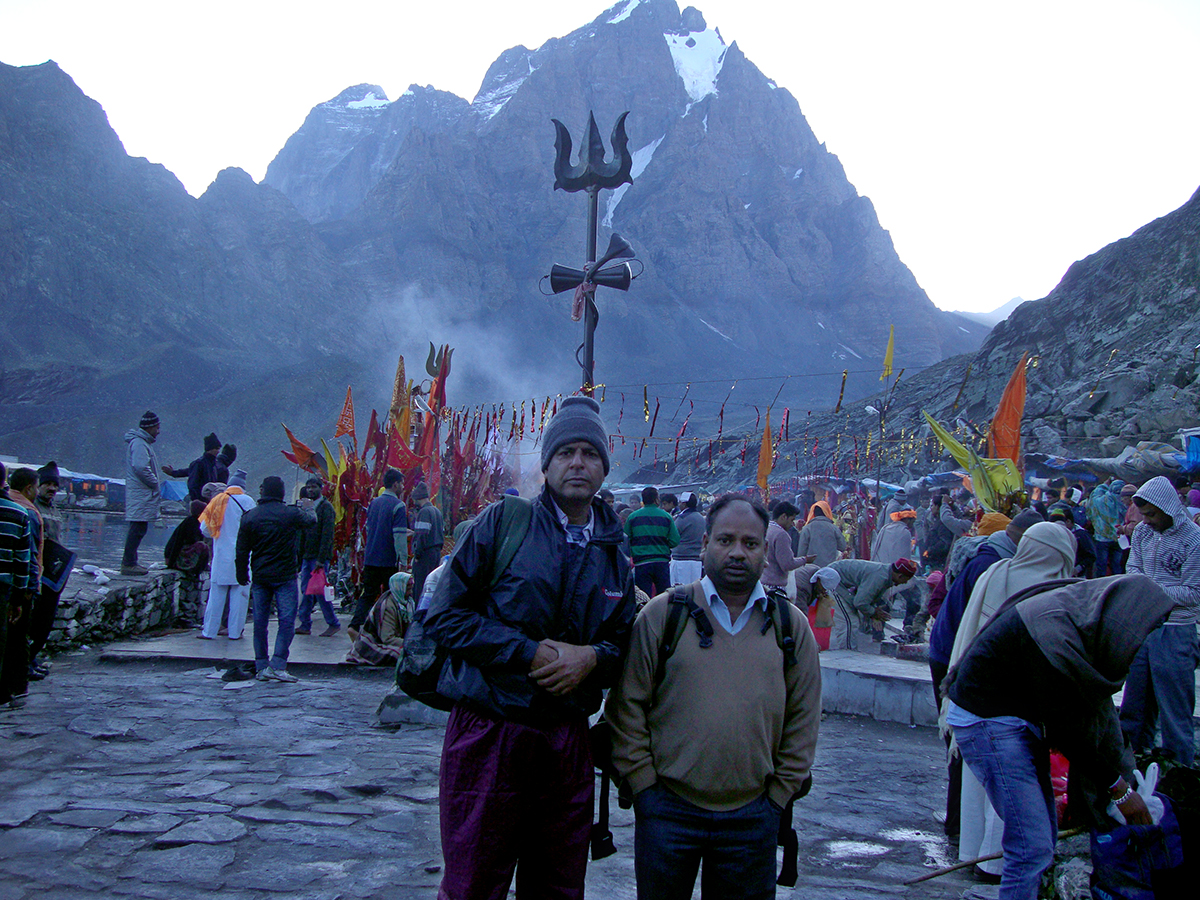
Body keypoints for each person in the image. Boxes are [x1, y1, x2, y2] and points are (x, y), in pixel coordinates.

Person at [423, 396, 635, 900]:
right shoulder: (503, 525)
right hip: (489, 734)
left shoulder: (615, 555)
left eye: (589, 452)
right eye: (566, 452)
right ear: (546, 464)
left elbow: (624, 643)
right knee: (474, 884)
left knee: (557, 886)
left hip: (566, 743)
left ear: (605, 466)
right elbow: (444, 617)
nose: (578, 463)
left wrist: (593, 658)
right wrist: (526, 652)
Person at [606, 494, 822, 900]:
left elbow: (804, 718)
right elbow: (626, 705)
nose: (737, 552)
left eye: (750, 543)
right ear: (705, 544)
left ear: (764, 550)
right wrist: (643, 784)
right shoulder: (662, 615)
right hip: (666, 813)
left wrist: (777, 797)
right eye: (725, 540)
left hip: (753, 816)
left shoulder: (789, 626)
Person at [945, 576, 1169, 900]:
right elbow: (1067, 728)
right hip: (989, 722)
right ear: (1123, 620)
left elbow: (1089, 720)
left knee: (1042, 841)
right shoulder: (1054, 631)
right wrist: (1118, 790)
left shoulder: (1083, 620)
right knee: (1031, 847)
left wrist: (1121, 782)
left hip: (1019, 720)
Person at [941, 520, 1075, 879]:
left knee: (978, 783)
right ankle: (996, 864)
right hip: (1015, 711)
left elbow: (966, 633)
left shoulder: (997, 572)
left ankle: (972, 852)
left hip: (972, 699)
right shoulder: (1055, 591)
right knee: (1015, 794)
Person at [1119, 475, 1200, 767]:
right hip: (1143, 625)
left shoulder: (1194, 539)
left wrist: (1148, 592)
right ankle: (1133, 760)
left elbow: (1193, 592)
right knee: (1135, 701)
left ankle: (1179, 769)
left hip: (1176, 629)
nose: (1148, 520)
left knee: (1174, 707)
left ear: (1168, 508)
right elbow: (1133, 567)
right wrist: (1140, 589)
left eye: (1152, 514)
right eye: (1145, 515)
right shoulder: (1142, 533)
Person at [235, 476, 316, 682]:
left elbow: (242, 550)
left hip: (260, 576)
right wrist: (308, 506)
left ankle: (261, 665)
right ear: (281, 493)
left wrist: (242, 573)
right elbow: (311, 521)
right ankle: (278, 664)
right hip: (285, 576)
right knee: (286, 621)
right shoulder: (290, 514)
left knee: (260, 623)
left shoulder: (250, 516)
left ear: (263, 492)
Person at [353, 469, 409, 641]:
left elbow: (369, 529)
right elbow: (398, 536)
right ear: (395, 484)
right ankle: (387, 631)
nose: (403, 486)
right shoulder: (399, 506)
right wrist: (404, 560)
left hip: (371, 557)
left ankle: (354, 626)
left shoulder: (374, 503)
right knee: (391, 597)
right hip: (388, 560)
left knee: (368, 594)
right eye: (401, 483)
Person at [198, 472, 255, 640]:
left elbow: (205, 530)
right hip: (243, 557)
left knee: (216, 596)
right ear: (243, 487)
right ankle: (235, 633)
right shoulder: (249, 501)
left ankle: (209, 631)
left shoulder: (217, 501)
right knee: (240, 598)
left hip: (221, 556)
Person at [3, 468, 42, 707]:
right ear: (29, 488)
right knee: (16, 640)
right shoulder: (22, 513)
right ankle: (15, 689)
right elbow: (26, 557)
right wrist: (26, 590)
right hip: (11, 587)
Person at [28, 462, 67, 680]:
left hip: (52, 571)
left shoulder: (55, 509)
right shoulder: (33, 507)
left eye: (54, 485)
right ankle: (25, 662)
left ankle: (32, 658)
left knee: (45, 621)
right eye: (47, 484)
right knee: (33, 620)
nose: (51, 489)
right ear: (38, 486)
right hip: (37, 571)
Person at [827, 557, 916, 649]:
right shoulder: (880, 577)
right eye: (906, 579)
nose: (905, 583)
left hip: (840, 582)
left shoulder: (886, 574)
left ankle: (848, 648)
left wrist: (873, 611)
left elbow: (868, 597)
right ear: (900, 576)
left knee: (854, 620)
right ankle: (847, 652)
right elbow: (859, 602)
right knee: (850, 622)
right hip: (832, 580)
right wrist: (873, 613)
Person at [296, 476, 339, 637]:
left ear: (321, 489)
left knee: (319, 591)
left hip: (318, 557)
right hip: (307, 555)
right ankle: (305, 623)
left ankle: (333, 623)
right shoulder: (307, 507)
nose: (310, 490)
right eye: (308, 487)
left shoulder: (326, 508)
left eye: (314, 487)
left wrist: (321, 559)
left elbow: (327, 535)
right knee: (307, 590)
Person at [122, 411, 162, 575]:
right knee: (137, 528)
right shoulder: (139, 444)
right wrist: (154, 482)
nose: (159, 431)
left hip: (140, 493)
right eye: (157, 427)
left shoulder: (141, 443)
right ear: (150, 427)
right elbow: (140, 467)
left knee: (138, 528)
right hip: (141, 493)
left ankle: (131, 561)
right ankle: (129, 563)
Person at [346, 571, 412, 666]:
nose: (411, 592)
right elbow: (388, 639)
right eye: (408, 589)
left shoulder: (407, 603)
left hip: (393, 641)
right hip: (373, 644)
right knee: (404, 655)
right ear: (400, 588)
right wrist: (410, 643)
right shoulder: (387, 606)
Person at [624, 486, 681, 597]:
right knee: (664, 597)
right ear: (656, 500)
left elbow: (626, 539)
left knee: (643, 596)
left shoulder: (632, 517)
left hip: (641, 563)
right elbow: (675, 540)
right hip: (661, 562)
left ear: (643, 500)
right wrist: (662, 545)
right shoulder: (666, 517)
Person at [162, 431, 223, 503]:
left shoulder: (212, 464)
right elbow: (193, 485)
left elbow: (188, 471)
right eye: (216, 449)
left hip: (209, 502)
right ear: (210, 449)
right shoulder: (199, 463)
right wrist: (198, 500)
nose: (218, 451)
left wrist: (174, 473)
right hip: (201, 502)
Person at [762, 501, 809, 593]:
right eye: (792, 520)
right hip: (775, 586)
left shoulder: (767, 528)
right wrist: (805, 560)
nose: (792, 524)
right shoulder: (781, 534)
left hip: (763, 583)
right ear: (783, 517)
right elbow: (787, 564)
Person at [410, 481, 444, 602]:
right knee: (431, 587)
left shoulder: (424, 512)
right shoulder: (437, 512)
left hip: (425, 555)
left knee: (420, 586)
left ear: (417, 498)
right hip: (435, 553)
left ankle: (417, 614)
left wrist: (417, 554)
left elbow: (422, 536)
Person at [1087, 483, 1123, 578]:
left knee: (1101, 566)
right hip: (1119, 537)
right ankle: (1118, 585)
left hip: (1101, 538)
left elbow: (1093, 497)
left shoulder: (1099, 501)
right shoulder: (1123, 501)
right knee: (1117, 565)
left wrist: (1103, 484)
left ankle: (1101, 586)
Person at [669, 492, 705, 586]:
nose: (679, 504)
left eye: (680, 502)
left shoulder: (682, 518)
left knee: (680, 590)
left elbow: (673, 536)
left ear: (684, 504)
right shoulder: (701, 518)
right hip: (697, 561)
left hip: (681, 560)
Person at [797, 501, 847, 567]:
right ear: (827, 512)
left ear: (813, 513)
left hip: (811, 569)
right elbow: (842, 547)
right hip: (830, 568)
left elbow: (801, 551)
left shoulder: (807, 528)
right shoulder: (834, 528)